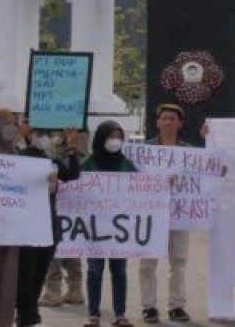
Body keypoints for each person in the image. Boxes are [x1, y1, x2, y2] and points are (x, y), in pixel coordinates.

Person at [16, 124, 81, 327]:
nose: (44, 137)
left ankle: (28, 312)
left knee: (40, 271)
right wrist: (19, 137)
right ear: (30, 134)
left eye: (48, 134)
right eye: (39, 133)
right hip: (25, 226)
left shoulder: (50, 160)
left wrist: (71, 147)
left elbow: (72, 174)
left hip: (48, 225)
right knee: (25, 273)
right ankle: (28, 315)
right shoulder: (19, 157)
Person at [139, 104, 194, 324]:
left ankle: (177, 306)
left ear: (180, 123)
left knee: (179, 260)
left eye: (173, 118)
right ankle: (149, 307)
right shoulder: (145, 150)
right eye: (164, 118)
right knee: (147, 262)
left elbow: (201, 177)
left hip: (180, 213)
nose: (168, 122)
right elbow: (134, 179)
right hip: (151, 214)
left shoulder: (189, 151)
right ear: (157, 122)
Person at [81, 120, 139, 327]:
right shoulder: (88, 164)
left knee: (120, 271)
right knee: (94, 271)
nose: (115, 141)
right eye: (111, 136)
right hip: (94, 228)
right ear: (101, 138)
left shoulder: (127, 165)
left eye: (118, 137)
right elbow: (74, 185)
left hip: (119, 229)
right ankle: (93, 315)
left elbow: (142, 190)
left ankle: (120, 314)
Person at [0, 108, 23, 327]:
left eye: (14, 124)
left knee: (8, 280)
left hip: (11, 230)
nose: (12, 128)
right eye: (7, 123)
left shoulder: (16, 154)